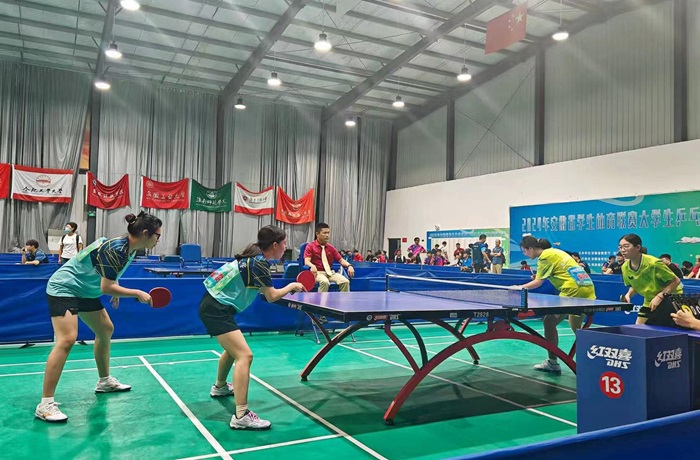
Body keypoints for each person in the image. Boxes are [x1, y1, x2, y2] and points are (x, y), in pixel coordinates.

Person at [35, 212, 162, 423]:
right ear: (146, 233)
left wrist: (115, 289)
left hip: (85, 290)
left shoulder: (129, 248)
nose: (158, 239)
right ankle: (45, 404)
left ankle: (104, 382)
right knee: (67, 339)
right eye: (158, 235)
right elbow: (106, 286)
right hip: (65, 287)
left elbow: (109, 276)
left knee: (105, 329)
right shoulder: (116, 249)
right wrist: (136, 293)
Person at [199, 225, 306, 430]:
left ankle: (220, 387)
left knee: (233, 350)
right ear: (274, 245)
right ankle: (241, 415)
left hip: (213, 305)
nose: (285, 248)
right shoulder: (259, 263)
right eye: (284, 244)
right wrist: (291, 286)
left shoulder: (254, 257)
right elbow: (271, 296)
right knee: (245, 356)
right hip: (216, 309)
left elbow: (263, 291)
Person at [515, 236, 596, 374]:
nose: (525, 254)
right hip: (586, 288)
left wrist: (519, 287)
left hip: (572, 290)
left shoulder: (544, 257)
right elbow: (559, 271)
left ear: (531, 248)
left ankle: (552, 363)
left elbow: (538, 283)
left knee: (549, 321)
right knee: (577, 327)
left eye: (524, 251)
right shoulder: (555, 252)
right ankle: (596, 357)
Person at [619, 234, 682, 325]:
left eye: (626, 246)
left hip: (672, 299)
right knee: (639, 328)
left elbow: (676, 281)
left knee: (667, 329)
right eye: (620, 247)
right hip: (650, 301)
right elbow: (635, 285)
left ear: (638, 247)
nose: (622, 250)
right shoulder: (625, 267)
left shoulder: (654, 263)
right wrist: (629, 294)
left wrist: (659, 297)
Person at [304, 223, 354, 292]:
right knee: (324, 282)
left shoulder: (331, 248)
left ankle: (344, 299)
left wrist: (349, 266)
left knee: (345, 281)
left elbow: (341, 260)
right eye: (324, 233)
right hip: (317, 273)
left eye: (328, 233)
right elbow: (306, 261)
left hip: (330, 273)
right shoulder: (310, 246)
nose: (327, 235)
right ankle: (320, 299)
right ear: (317, 234)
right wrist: (312, 266)